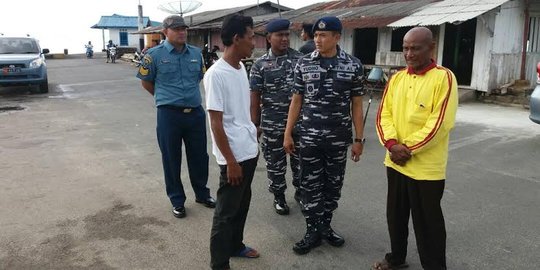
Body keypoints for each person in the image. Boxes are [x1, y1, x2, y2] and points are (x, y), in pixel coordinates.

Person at [372, 27, 458, 270]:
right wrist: (391, 145)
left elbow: (440, 124)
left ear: (431, 48)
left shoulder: (444, 78)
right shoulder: (396, 78)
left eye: (415, 48)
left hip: (425, 169)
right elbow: (383, 115)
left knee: (428, 224)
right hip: (395, 162)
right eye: (405, 48)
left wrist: (405, 149)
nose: (409, 53)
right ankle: (396, 258)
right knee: (395, 218)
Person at [283, 16, 365, 255]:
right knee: (309, 186)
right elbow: (296, 100)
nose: (317, 39)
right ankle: (312, 231)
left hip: (338, 139)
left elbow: (357, 105)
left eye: (323, 35)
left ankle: (325, 226)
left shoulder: (353, 65)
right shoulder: (303, 63)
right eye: (316, 35)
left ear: (337, 37)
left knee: (333, 186)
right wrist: (288, 133)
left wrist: (358, 140)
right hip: (308, 138)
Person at [136, 15, 215, 219]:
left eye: (184, 29)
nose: (182, 32)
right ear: (165, 32)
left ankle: (202, 193)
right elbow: (146, 82)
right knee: (171, 158)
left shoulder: (196, 54)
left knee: (199, 156)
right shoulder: (153, 55)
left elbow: (200, 77)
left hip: (195, 113)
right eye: (176, 29)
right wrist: (164, 97)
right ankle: (177, 200)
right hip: (169, 115)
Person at [204, 14, 260, 270]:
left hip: (248, 150)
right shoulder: (216, 74)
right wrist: (230, 161)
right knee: (226, 213)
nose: (254, 44)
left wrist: (252, 128)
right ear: (236, 39)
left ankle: (235, 245)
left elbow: (239, 111)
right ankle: (219, 263)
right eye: (250, 38)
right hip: (233, 157)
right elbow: (216, 123)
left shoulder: (240, 68)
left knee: (242, 205)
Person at [249, 18, 304, 215]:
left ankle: (301, 193)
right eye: (280, 35)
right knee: (275, 164)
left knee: (301, 163)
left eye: (287, 35)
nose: (284, 38)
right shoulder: (260, 65)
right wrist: (255, 124)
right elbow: (255, 96)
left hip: (299, 124)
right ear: (269, 38)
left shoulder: (301, 60)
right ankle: (279, 196)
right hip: (272, 124)